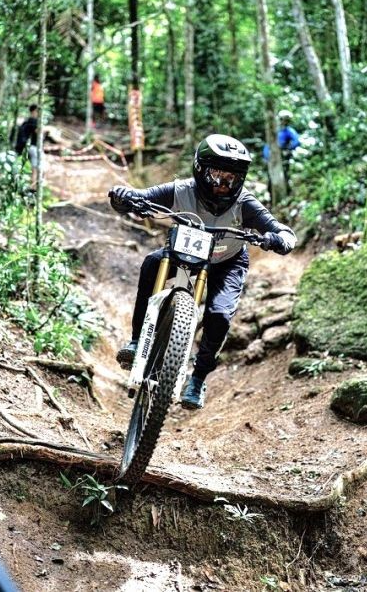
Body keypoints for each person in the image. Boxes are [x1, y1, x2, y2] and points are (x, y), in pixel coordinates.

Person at [109, 134, 296, 409]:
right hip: (181, 253)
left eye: (231, 178)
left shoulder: (245, 204)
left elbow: (282, 230)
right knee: (151, 263)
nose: (223, 185)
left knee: (219, 315)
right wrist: (124, 197)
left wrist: (279, 238)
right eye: (216, 176)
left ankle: (197, 379)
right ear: (200, 169)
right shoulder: (181, 190)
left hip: (228, 262)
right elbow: (141, 196)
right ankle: (138, 340)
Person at [263, 110, 302, 195]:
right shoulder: (275, 131)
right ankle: (271, 195)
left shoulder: (289, 131)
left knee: (284, 176)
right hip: (272, 158)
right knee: (271, 177)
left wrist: (287, 148)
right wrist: (266, 157)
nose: (283, 121)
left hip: (283, 157)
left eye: (286, 120)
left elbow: (297, 141)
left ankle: (286, 193)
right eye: (282, 119)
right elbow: (268, 145)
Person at [14, 104, 40, 190]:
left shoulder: (26, 121)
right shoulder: (34, 121)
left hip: (24, 147)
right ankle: (33, 187)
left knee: (28, 167)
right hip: (33, 147)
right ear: (34, 111)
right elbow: (37, 132)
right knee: (35, 168)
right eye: (38, 111)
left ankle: (26, 186)